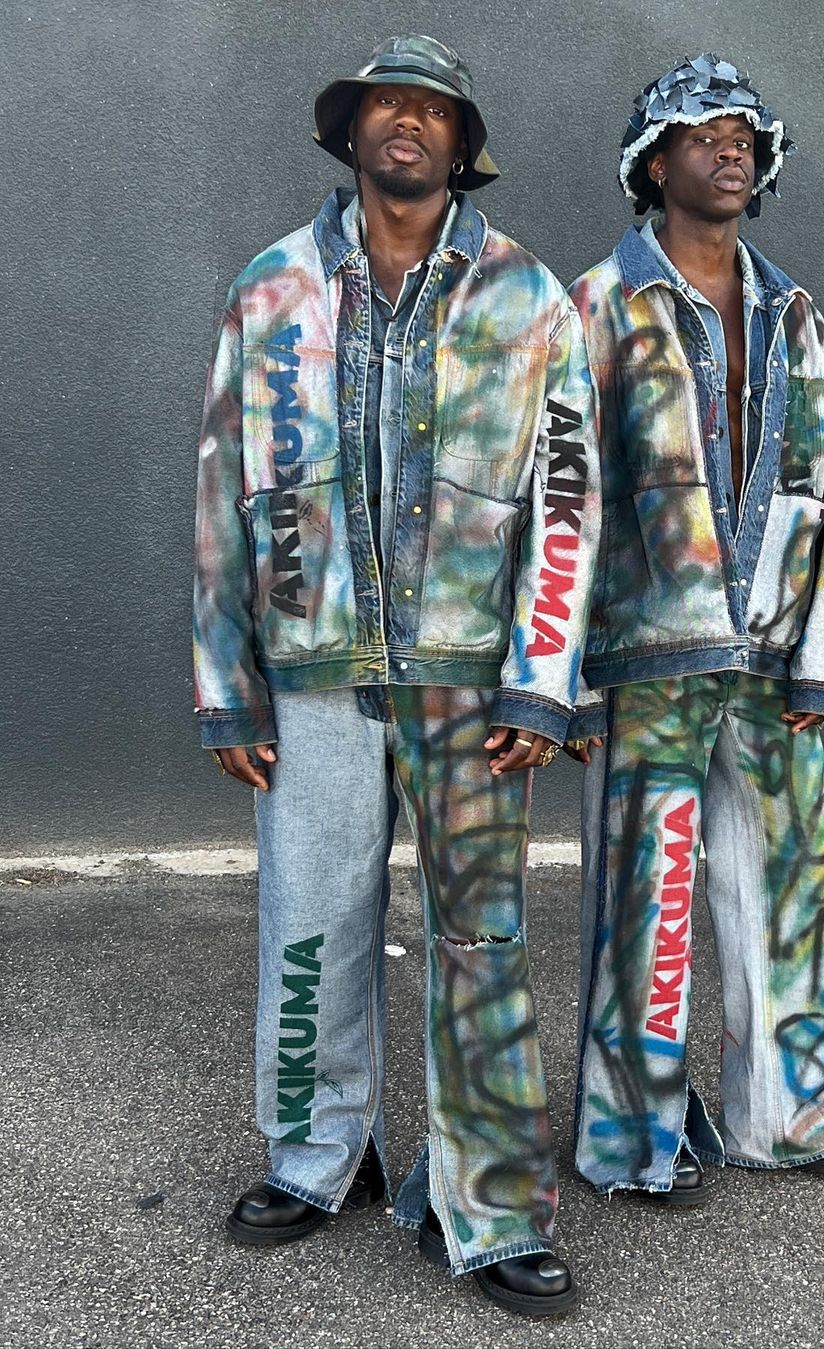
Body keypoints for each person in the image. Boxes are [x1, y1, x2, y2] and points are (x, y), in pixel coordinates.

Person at [193, 34, 597, 1316]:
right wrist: (227, 679)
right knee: (310, 922)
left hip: (472, 683)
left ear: (461, 143)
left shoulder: (528, 296)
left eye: (432, 108)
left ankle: (493, 1205)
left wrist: (542, 678)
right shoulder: (270, 289)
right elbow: (221, 488)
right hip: (311, 669)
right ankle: (318, 1157)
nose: (406, 122)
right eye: (386, 105)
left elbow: (568, 499)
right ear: (352, 130)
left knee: (481, 939)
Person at [566, 53, 824, 1204]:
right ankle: (632, 1140)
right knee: (645, 903)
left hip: (770, 653)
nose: (730, 150)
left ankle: (788, 1117)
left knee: (799, 882)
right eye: (704, 134)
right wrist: (560, 678)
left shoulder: (799, 319)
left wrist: (820, 660)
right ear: (652, 164)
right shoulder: (597, 308)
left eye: (745, 137)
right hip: (646, 662)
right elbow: (560, 503)